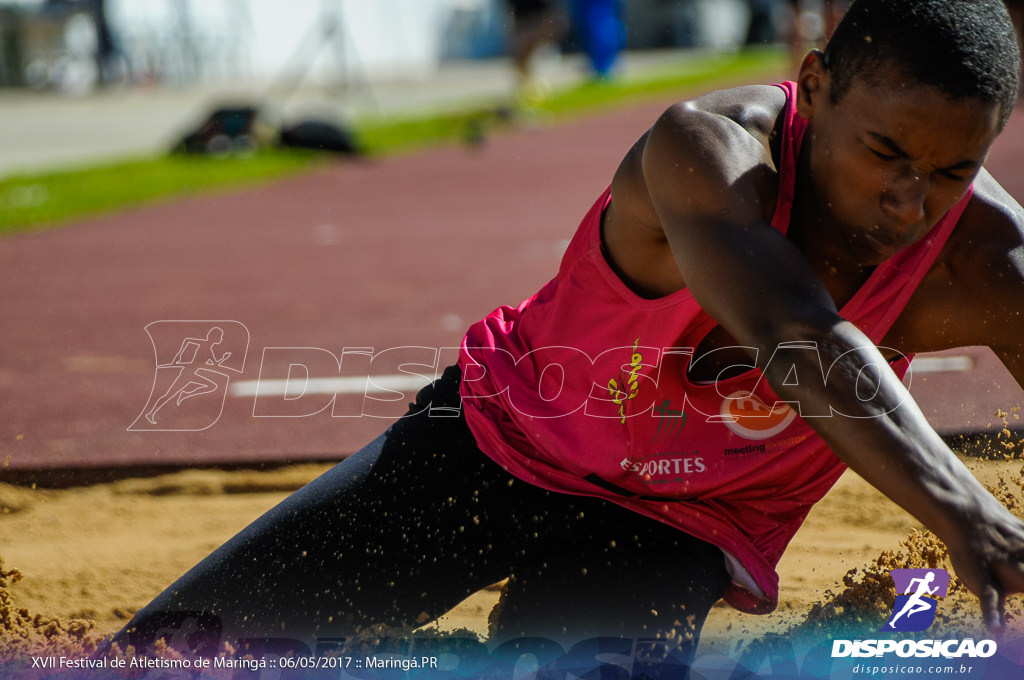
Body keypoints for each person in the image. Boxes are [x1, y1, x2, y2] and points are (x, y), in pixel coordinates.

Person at [97, 0, 1024, 672]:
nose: (911, 202)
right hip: (494, 449)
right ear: (814, 87)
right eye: (886, 156)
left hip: (675, 526)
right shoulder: (707, 149)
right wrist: (966, 511)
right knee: (164, 663)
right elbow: (795, 332)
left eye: (953, 170)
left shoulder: (985, 258)